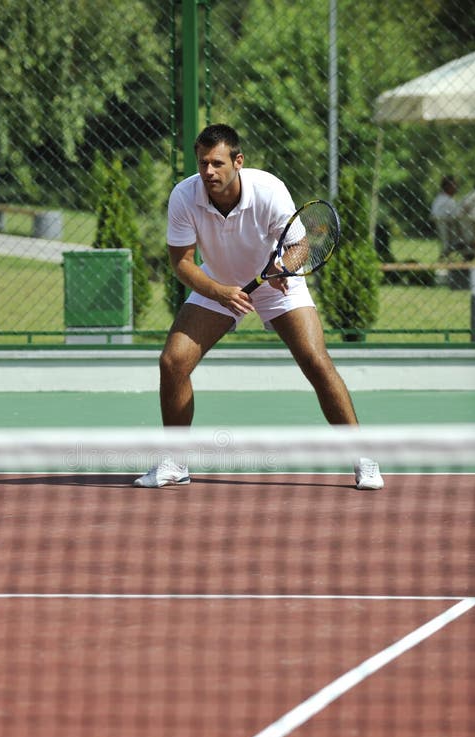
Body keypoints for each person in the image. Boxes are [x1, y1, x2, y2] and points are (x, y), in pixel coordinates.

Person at [134, 124, 383, 490]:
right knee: (173, 362)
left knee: (316, 360)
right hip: (217, 283)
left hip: (276, 284)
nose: (208, 172)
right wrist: (220, 292)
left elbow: (300, 246)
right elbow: (182, 264)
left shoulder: (269, 190)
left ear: (238, 161)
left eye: (217, 163)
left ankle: (363, 457)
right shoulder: (184, 196)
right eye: (203, 163)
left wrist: (285, 266)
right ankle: (174, 461)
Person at [430, 175, 461, 258]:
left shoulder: (444, 199)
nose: (456, 187)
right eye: (454, 185)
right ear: (447, 186)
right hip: (446, 225)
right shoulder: (444, 199)